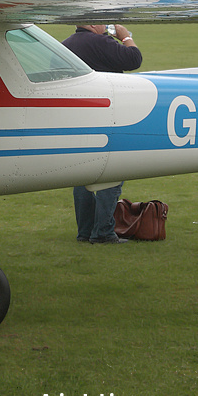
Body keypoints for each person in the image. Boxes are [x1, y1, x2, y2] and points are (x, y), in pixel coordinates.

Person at [62, 25, 142, 244]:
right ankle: (104, 232)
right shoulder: (100, 42)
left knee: (82, 175)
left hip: (78, 121)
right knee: (112, 172)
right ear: (92, 23)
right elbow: (134, 59)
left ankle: (85, 231)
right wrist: (125, 36)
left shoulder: (65, 45)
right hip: (108, 117)